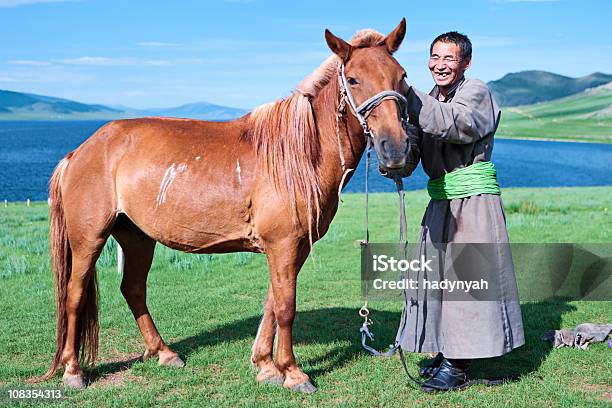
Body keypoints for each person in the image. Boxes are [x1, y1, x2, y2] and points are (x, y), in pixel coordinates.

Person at [392, 31, 525, 392]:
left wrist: (403, 91)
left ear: (466, 62)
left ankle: (459, 364)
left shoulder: (476, 92)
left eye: (449, 58)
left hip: (474, 203)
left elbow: (455, 124)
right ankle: (445, 350)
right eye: (435, 57)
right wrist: (396, 156)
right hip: (441, 201)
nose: (440, 65)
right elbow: (415, 154)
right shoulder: (427, 100)